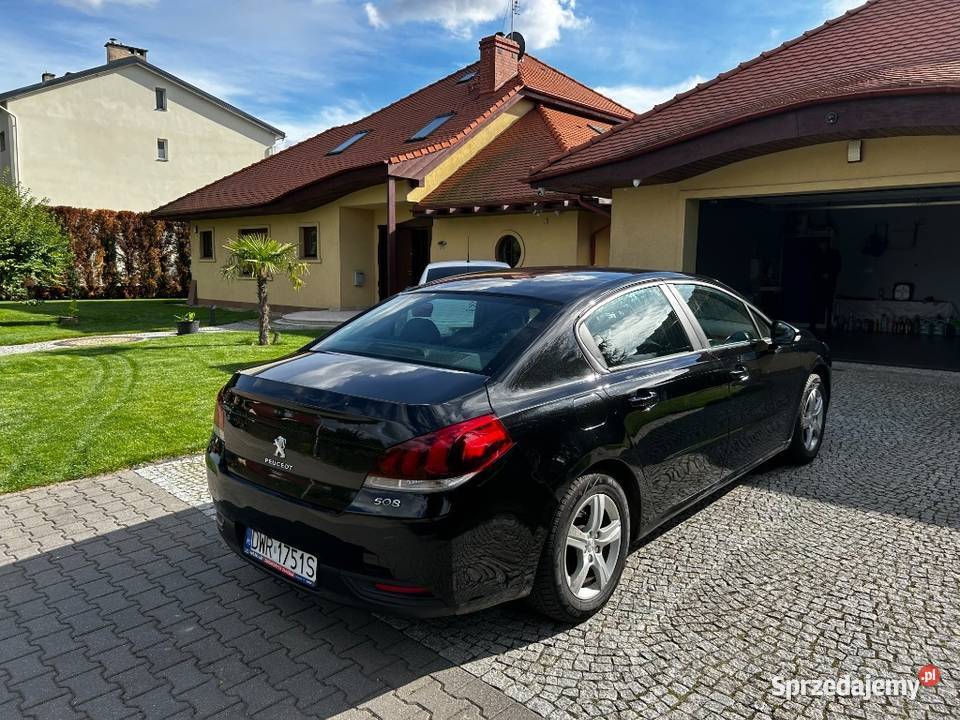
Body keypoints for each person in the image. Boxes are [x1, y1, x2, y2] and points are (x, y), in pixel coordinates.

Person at [809, 236, 842, 335]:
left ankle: (827, 326)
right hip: (818, 283)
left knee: (828, 305)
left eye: (824, 244)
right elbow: (813, 267)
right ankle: (813, 325)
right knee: (815, 304)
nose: (822, 246)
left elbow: (837, 266)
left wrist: (829, 274)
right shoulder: (817, 254)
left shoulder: (833, 254)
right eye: (821, 244)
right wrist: (820, 274)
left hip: (828, 283)